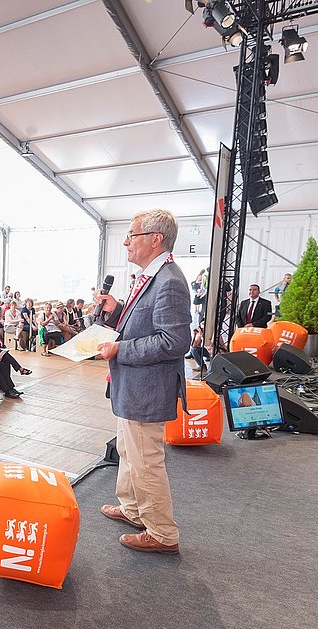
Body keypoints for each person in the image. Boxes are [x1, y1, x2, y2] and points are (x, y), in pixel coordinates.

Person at [93, 209, 191, 555]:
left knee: (145, 460)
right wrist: (118, 309)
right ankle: (134, 509)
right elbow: (145, 324)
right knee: (128, 452)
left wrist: (120, 348)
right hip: (133, 385)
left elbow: (175, 342)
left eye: (131, 235)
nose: (125, 242)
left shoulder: (169, 282)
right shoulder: (152, 275)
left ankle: (162, 532)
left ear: (155, 239)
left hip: (146, 388)